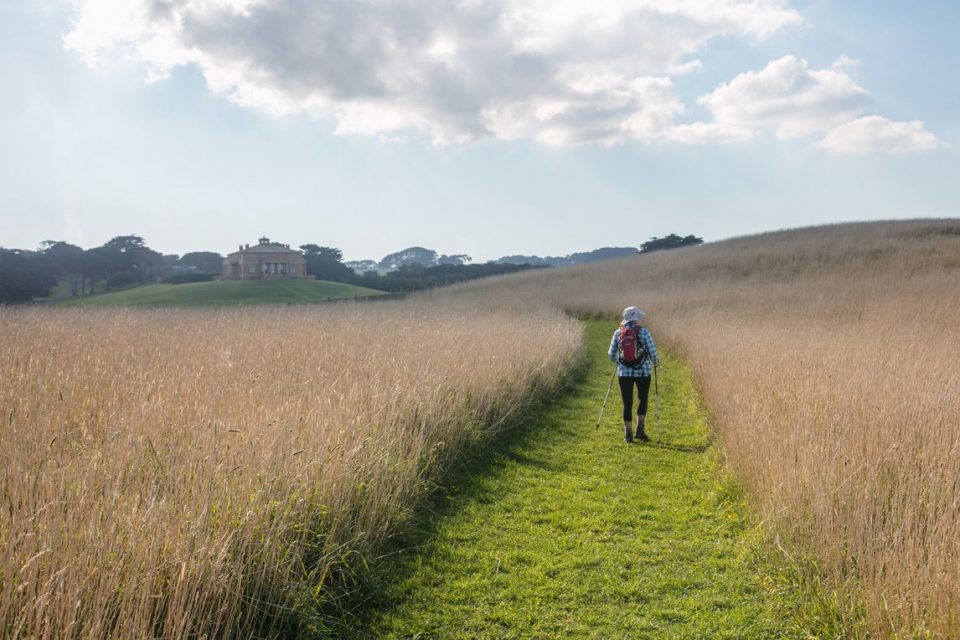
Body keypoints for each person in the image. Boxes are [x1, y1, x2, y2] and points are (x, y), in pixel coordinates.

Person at [608, 306, 659, 443]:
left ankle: (628, 435)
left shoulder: (618, 333)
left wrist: (619, 362)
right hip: (643, 372)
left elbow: (611, 354)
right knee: (643, 399)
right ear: (636, 318)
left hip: (624, 373)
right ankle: (640, 431)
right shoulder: (644, 332)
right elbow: (653, 352)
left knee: (627, 403)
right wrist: (655, 362)